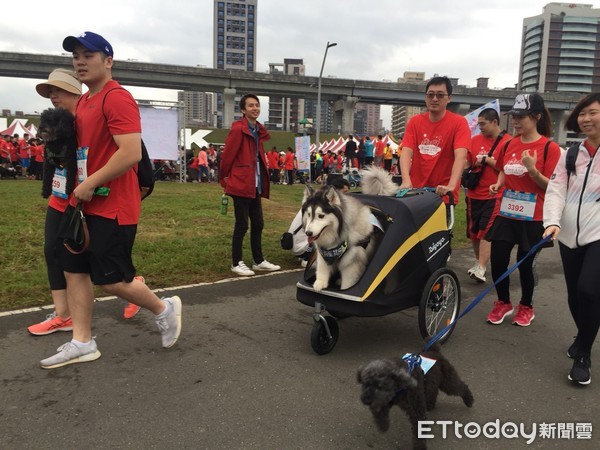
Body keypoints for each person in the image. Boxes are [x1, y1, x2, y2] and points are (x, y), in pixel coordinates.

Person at [40, 31, 183, 369]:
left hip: (113, 206)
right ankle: (82, 341)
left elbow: (131, 153)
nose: (79, 61)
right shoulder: (86, 101)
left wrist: (91, 182)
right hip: (84, 203)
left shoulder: (116, 97)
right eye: (75, 55)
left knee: (110, 279)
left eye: (87, 55)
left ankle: (164, 309)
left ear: (108, 60)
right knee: (72, 269)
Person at [486, 93, 561, 327]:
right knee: (497, 259)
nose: (516, 121)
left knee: (525, 264)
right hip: (507, 213)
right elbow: (502, 168)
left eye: (521, 117)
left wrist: (532, 170)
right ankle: (503, 302)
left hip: (534, 217)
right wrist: (498, 183)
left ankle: (526, 306)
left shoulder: (550, 148)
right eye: (514, 116)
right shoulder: (509, 143)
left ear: (537, 117)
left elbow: (554, 187)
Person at [543, 92, 600, 385]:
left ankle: (583, 354)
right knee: (576, 295)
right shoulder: (571, 154)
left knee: (590, 290)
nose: (586, 118)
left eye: (592, 112)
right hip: (568, 236)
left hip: (598, 236)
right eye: (582, 114)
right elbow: (555, 191)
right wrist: (552, 222)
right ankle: (585, 335)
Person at [220, 93, 280, 277]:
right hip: (241, 183)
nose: (255, 108)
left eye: (257, 105)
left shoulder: (257, 130)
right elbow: (227, 156)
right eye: (251, 106)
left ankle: (258, 261)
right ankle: (236, 262)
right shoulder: (239, 129)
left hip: (254, 183)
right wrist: (224, 179)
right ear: (243, 110)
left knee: (259, 223)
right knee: (242, 225)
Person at [400, 76, 471, 213]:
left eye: (440, 95)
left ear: (449, 98)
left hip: (442, 195)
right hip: (416, 193)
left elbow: (460, 156)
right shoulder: (415, 122)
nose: (434, 99)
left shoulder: (459, 123)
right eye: (431, 95)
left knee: (438, 233)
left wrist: (451, 185)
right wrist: (406, 180)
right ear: (425, 97)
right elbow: (406, 152)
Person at [464, 108, 512, 283]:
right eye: (478, 124)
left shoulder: (508, 142)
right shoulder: (474, 140)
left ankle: (482, 267)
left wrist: (487, 160)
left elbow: (508, 169)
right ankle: (479, 264)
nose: (480, 127)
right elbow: (467, 163)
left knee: (486, 231)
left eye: (483, 124)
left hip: (494, 194)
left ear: (495, 122)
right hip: (473, 193)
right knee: (474, 232)